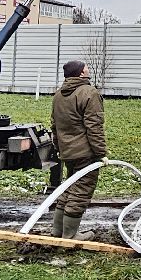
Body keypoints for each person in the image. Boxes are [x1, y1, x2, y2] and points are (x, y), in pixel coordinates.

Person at [48, 59, 107, 240]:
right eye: (86, 68)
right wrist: (101, 153)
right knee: (80, 191)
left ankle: (57, 231)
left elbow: (54, 126)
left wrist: (59, 148)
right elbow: (94, 126)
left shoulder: (58, 95)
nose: (88, 70)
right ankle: (70, 235)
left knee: (68, 188)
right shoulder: (89, 93)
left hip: (68, 152)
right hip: (85, 153)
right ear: (81, 73)